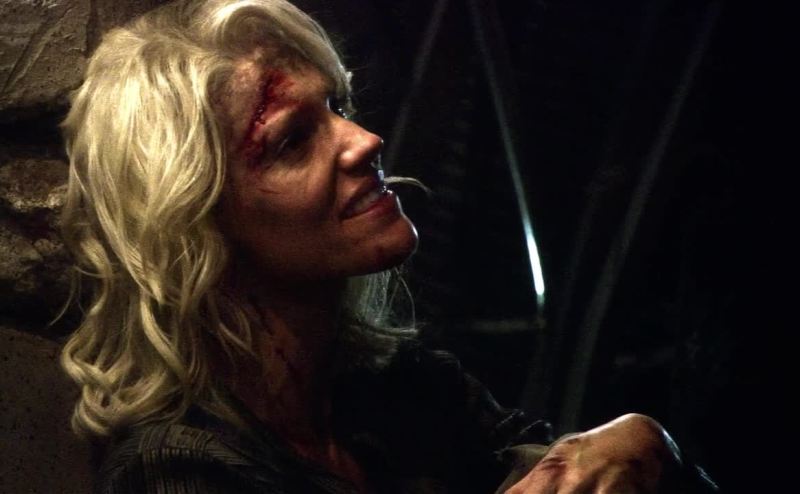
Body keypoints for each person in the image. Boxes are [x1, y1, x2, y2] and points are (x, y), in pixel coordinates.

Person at [59, 0, 716, 492]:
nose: (364, 140)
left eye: (338, 107)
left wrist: (647, 444)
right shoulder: (174, 469)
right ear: (195, 223)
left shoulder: (402, 388)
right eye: (292, 140)